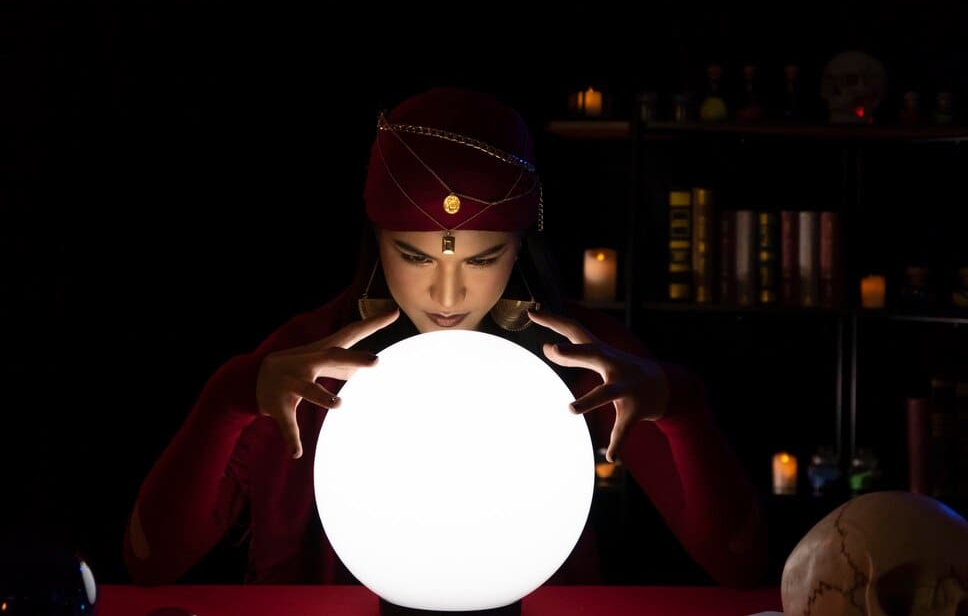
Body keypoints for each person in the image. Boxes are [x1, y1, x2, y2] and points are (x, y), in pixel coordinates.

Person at [123, 87, 768, 588]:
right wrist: (233, 394)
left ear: (521, 248)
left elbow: (740, 568)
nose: (448, 297)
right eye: (417, 256)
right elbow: (151, 562)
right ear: (376, 240)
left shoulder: (585, 361)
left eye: (483, 260)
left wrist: (677, 404)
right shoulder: (303, 358)